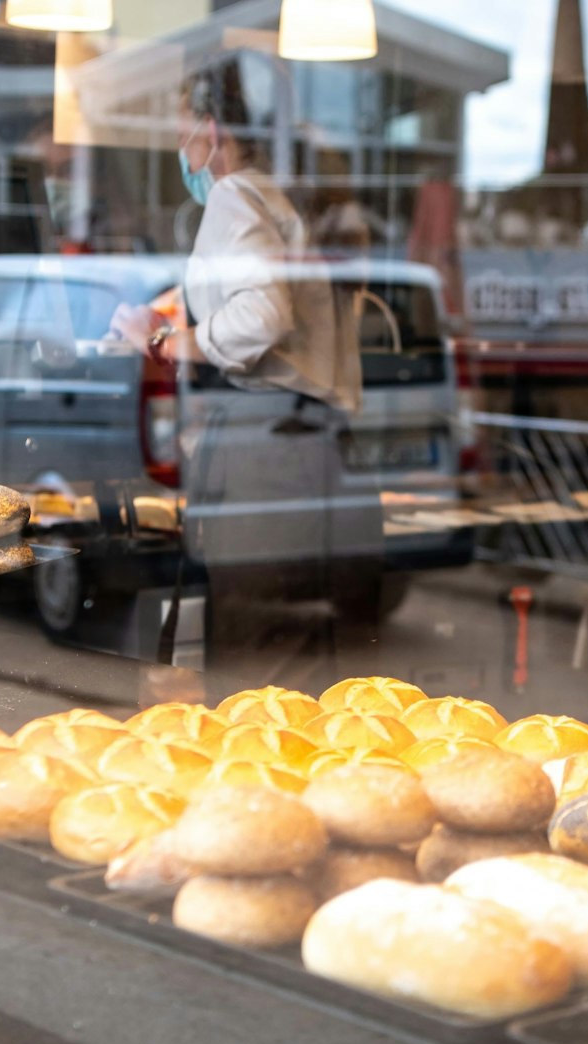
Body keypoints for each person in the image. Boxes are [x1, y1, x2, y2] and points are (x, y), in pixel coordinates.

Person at [107, 56, 376, 691]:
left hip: (266, 454)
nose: (182, 149)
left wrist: (171, 340)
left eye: (182, 133)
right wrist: (184, 305)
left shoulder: (235, 194)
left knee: (261, 663)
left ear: (213, 130)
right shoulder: (292, 203)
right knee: (300, 650)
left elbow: (262, 315)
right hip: (316, 449)